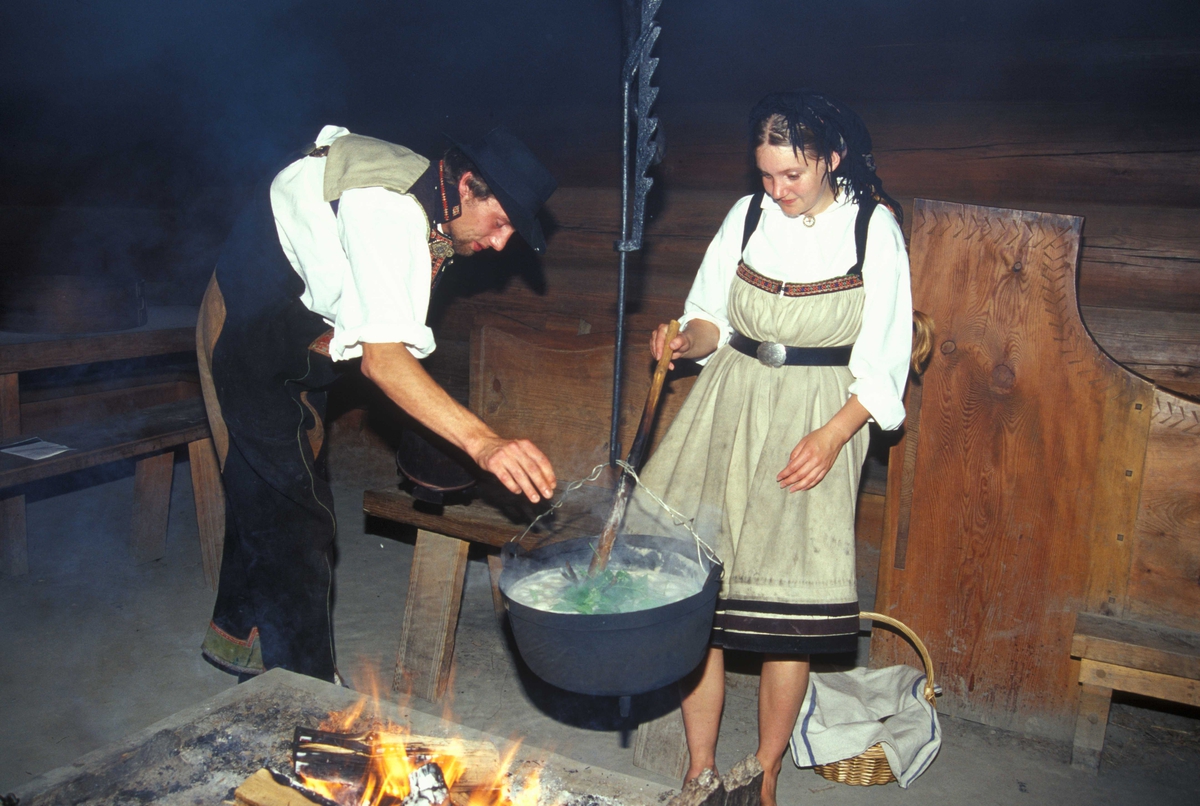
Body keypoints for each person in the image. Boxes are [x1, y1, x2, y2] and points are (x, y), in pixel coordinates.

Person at [624, 91, 927, 804]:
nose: (777, 189)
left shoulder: (871, 229)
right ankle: (698, 770)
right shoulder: (748, 216)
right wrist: (680, 340)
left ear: (832, 159)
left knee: (787, 607)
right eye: (766, 174)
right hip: (730, 402)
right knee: (700, 592)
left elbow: (883, 362)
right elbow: (710, 321)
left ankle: (762, 775)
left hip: (821, 417)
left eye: (792, 175)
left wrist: (831, 438)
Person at [195, 125, 559, 683]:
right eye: (501, 220)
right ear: (467, 186)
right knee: (296, 520)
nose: (502, 242)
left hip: (302, 340)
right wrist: (483, 443)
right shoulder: (389, 209)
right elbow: (383, 361)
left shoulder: (432, 204)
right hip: (248, 327)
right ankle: (305, 695)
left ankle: (238, 639)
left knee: (270, 492)